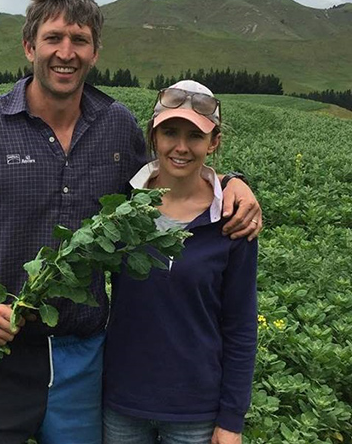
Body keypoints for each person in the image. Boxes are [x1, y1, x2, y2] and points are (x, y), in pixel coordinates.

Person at [0, 0, 261, 443]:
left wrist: (231, 182)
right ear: (29, 45)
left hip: (86, 356)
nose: (66, 52)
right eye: (54, 38)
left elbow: (171, 175)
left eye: (79, 41)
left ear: (95, 52)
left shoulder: (116, 125)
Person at [103, 80, 258, 444]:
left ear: (213, 142)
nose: (181, 147)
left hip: (195, 411)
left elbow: (240, 326)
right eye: (170, 132)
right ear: (153, 136)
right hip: (123, 402)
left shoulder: (232, 220)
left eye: (196, 136)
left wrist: (231, 419)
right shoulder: (121, 207)